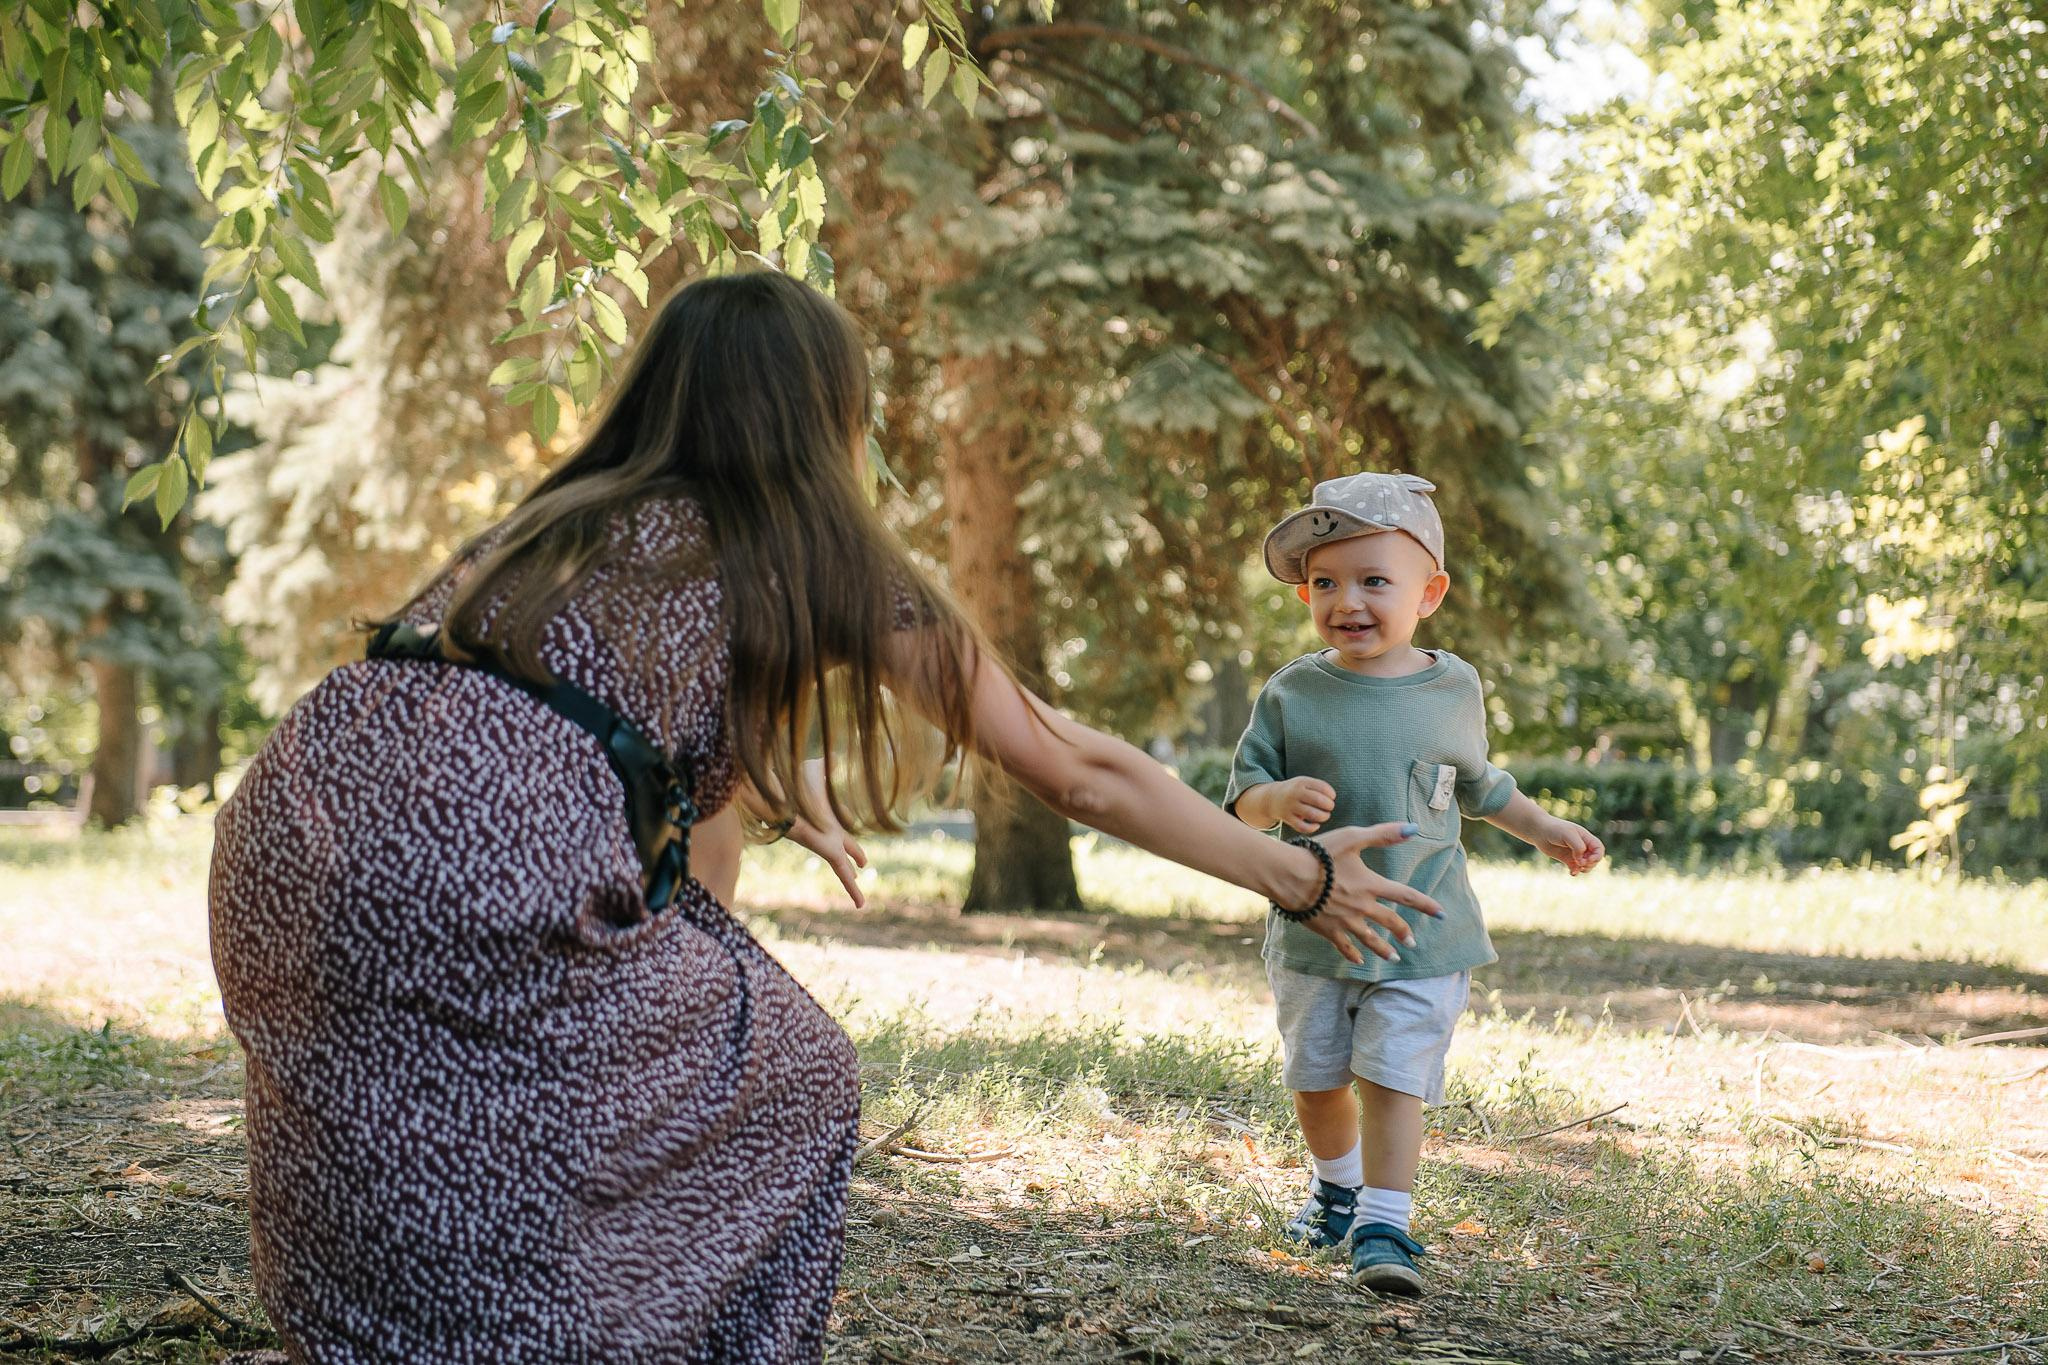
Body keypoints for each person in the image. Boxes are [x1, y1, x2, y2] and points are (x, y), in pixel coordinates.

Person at [208, 271, 1444, 1365]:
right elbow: (1077, 770)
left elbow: (569, 709)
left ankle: (375, 1327)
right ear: (823, 412)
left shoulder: (549, 523)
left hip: (290, 832)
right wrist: (1297, 880)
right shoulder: (817, 547)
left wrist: (769, 806)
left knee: (397, 1086)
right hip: (489, 860)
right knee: (790, 1076)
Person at [1226, 471, 1604, 1297]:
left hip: (1422, 927)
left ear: (1428, 591)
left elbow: (1478, 784)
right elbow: (1242, 802)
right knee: (1320, 1079)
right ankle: (1335, 1192)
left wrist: (1545, 828)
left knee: (1392, 1075)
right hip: (1314, 929)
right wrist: (1279, 798)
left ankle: (1385, 1220)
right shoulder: (1294, 691)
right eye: (1325, 581)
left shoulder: (1453, 685)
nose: (1347, 600)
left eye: (1373, 580)